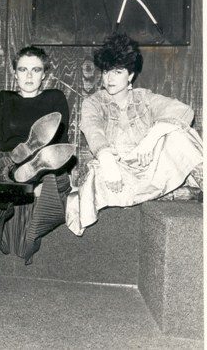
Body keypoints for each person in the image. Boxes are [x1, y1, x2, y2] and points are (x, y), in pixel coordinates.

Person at [66, 33, 203, 235]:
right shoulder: (93, 103)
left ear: (130, 75)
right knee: (95, 179)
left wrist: (151, 138)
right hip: (118, 172)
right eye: (106, 72)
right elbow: (92, 129)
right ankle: (163, 193)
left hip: (150, 169)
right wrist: (106, 158)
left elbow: (183, 111)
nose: (109, 78)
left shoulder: (144, 98)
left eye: (117, 72)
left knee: (181, 135)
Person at [0, 46, 76, 264]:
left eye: (36, 70)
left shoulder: (55, 97)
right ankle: (19, 164)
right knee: (6, 166)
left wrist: (44, 183)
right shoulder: (4, 98)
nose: (29, 75)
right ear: (15, 73)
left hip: (46, 165)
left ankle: (31, 169)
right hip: (8, 161)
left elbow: (60, 143)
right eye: (23, 69)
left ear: (44, 74)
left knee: (24, 245)